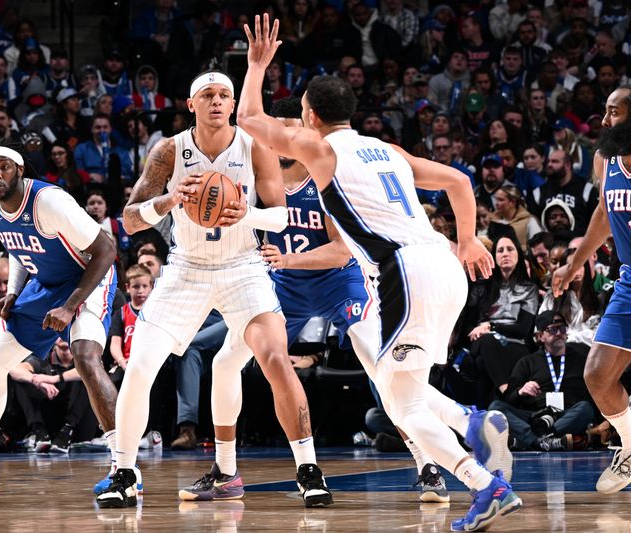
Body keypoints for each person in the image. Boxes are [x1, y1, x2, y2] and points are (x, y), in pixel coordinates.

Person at [235, 15, 521, 531]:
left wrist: (256, 66)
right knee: (400, 389)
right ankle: (473, 423)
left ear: (311, 115)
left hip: (405, 273)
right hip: (441, 265)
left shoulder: (318, 149)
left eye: (301, 115)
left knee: (401, 405)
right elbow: (458, 180)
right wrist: (467, 239)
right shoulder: (385, 149)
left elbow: (249, 118)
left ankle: (486, 484)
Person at [180, 96, 448, 503]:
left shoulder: (327, 178)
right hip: (285, 289)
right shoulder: (256, 182)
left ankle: (426, 465)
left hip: (340, 282)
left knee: (381, 366)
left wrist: (288, 258)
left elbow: (342, 251)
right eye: (279, 130)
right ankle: (226, 471)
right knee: (224, 363)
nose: (285, 137)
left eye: (292, 128)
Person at [95, 68, 333, 509]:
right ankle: (124, 472)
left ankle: (308, 469)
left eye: (225, 94)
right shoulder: (170, 151)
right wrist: (166, 203)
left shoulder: (254, 146)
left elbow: (280, 218)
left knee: (275, 357)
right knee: (141, 363)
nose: (219, 101)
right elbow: (128, 220)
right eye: (208, 95)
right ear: (192, 105)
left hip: (243, 266)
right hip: (185, 269)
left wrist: (246, 214)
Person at [0, 140, 118, 495]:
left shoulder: (49, 201)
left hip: (87, 277)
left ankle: (124, 466)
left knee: (84, 358)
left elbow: (107, 249)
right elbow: (18, 247)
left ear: (19, 170)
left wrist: (70, 307)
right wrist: (14, 294)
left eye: (3, 166)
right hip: (46, 282)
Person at [552, 85, 631, 493]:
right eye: (605, 111)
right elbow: (603, 212)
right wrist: (573, 264)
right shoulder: (606, 159)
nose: (604, 121)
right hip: (630, 280)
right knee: (598, 376)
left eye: (614, 113)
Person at [488, 311, 595, 451]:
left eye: (562, 328)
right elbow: (508, 398)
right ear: (540, 336)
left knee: (585, 409)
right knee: (495, 408)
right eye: (552, 329)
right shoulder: (527, 362)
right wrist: (521, 391)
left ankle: (532, 440)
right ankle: (542, 441)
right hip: (535, 416)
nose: (558, 333)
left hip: (566, 414)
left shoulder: (580, 358)